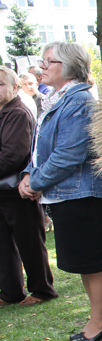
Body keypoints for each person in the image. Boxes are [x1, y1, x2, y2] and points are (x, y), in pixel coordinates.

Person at [18, 42, 102, 341]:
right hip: (67, 195)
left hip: (83, 196)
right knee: (84, 263)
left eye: (50, 61)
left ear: (69, 67)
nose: (42, 66)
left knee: (94, 263)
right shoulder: (56, 98)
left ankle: (100, 322)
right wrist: (29, 173)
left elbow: (69, 155)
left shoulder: (78, 102)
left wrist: (35, 182)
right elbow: (40, 148)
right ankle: (97, 320)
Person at [0, 67, 57, 308]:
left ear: (15, 87)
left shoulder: (18, 112)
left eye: (1, 84)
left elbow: (13, 155)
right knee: (2, 245)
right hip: (3, 190)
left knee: (30, 242)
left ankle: (42, 289)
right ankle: (10, 291)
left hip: (19, 189)